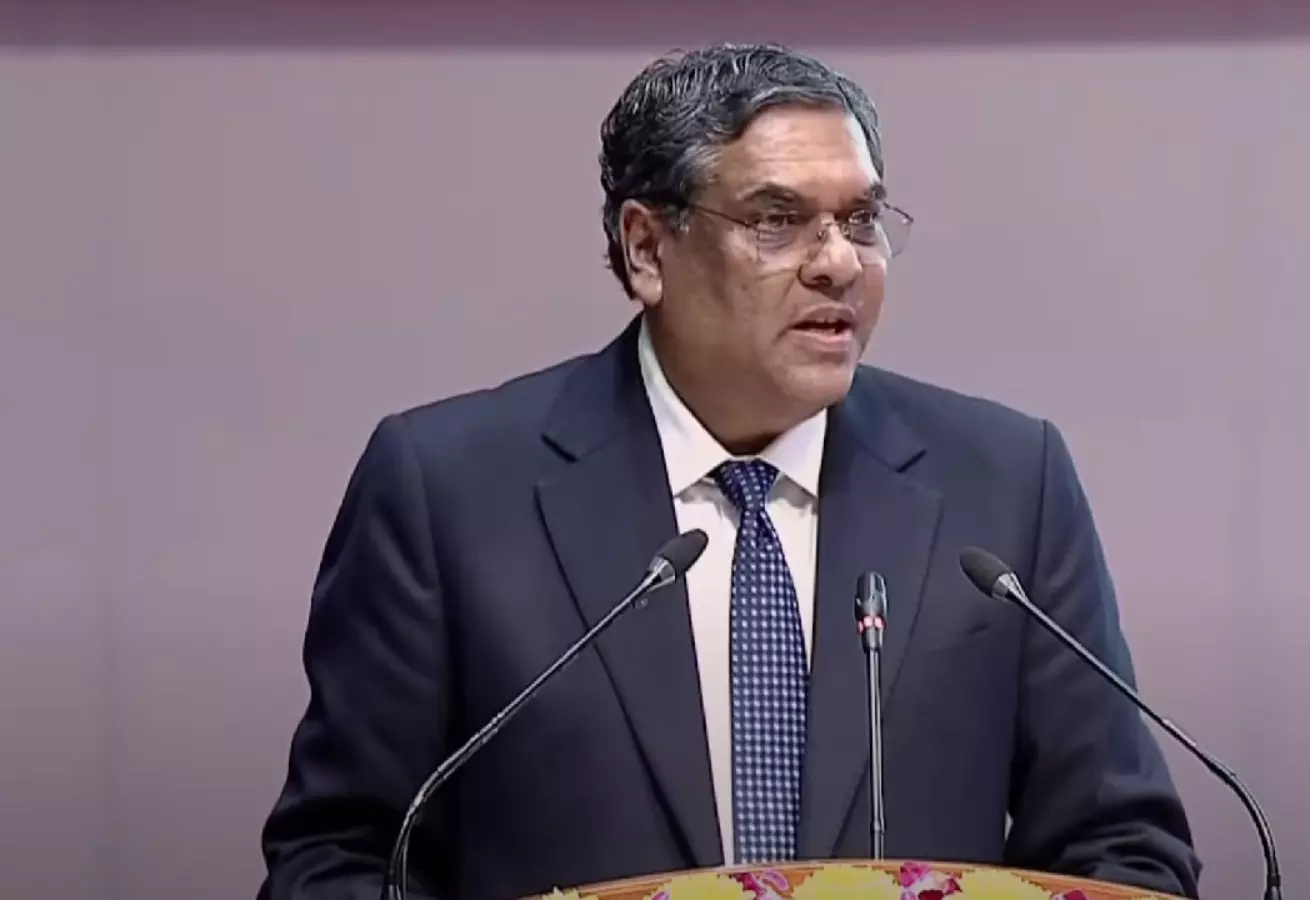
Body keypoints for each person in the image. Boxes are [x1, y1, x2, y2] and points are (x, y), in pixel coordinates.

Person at [257, 42, 1202, 900]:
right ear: (647, 249)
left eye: (861, 220)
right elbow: (338, 860)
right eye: (778, 220)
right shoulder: (449, 493)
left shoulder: (1004, 484)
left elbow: (1124, 849)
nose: (839, 263)